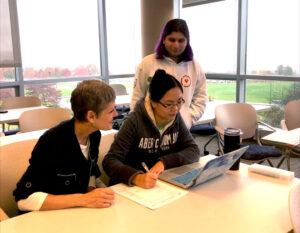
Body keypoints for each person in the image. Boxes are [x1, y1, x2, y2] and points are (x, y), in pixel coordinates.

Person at [13, 80, 118, 212]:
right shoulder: (52, 142)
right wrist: (85, 199)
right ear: (91, 116)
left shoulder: (94, 134)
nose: (116, 114)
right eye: (110, 111)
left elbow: (90, 171)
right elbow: (24, 199)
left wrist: (92, 189)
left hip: (75, 215)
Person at [103, 69, 200, 189]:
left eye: (179, 102)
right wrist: (137, 177)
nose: (175, 109)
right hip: (132, 189)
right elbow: (110, 161)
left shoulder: (175, 118)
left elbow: (193, 150)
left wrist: (164, 162)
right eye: (169, 104)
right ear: (153, 102)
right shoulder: (134, 121)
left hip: (160, 185)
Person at [131, 18, 207, 129]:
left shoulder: (195, 66)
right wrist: (140, 123)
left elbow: (201, 97)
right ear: (163, 39)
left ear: (187, 41)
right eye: (172, 40)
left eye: (181, 41)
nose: (176, 45)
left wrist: (189, 118)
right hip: (150, 127)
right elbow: (137, 97)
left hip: (181, 128)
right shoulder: (147, 63)